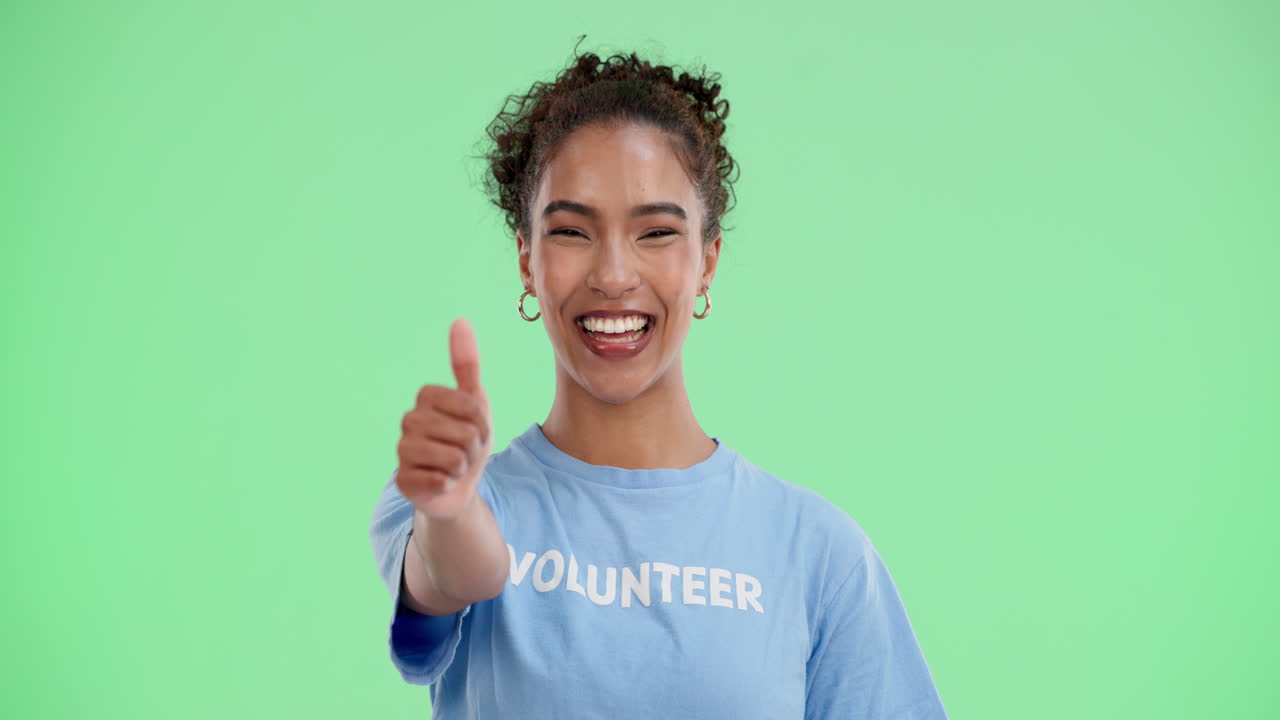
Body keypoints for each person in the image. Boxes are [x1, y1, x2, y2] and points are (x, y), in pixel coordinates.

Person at [369, 46, 948, 718]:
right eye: (571, 230)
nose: (614, 273)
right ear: (528, 262)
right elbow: (456, 578)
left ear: (707, 262)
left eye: (656, 232)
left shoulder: (818, 552)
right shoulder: (452, 501)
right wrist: (449, 507)